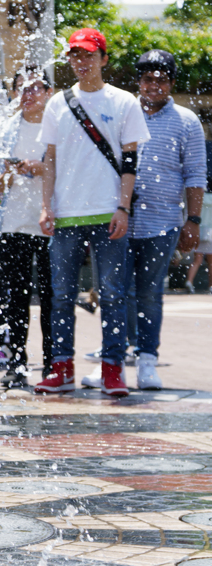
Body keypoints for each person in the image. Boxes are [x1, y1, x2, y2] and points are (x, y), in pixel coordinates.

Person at [80, 50, 205, 391]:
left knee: (150, 293)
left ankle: (147, 360)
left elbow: (195, 174)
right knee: (113, 293)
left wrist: (192, 220)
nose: (154, 85)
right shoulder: (120, 112)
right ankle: (112, 363)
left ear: (171, 83)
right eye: (148, 78)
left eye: (161, 79)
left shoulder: (187, 120)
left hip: (162, 222)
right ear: (139, 81)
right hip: (116, 220)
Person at [35, 29, 150, 396]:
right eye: (74, 56)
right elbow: (49, 159)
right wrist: (45, 205)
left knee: (113, 294)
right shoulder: (57, 103)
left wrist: (123, 207)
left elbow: (131, 159)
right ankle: (61, 367)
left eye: (87, 56)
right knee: (60, 296)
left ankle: (113, 369)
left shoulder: (124, 101)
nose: (80, 63)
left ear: (103, 59)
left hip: (108, 212)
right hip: (66, 214)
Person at [0, 68, 54, 388]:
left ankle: (54, 363)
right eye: (22, 88)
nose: (29, 94)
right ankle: (16, 362)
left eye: (36, 88)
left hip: (51, 223)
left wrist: (44, 168)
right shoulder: (4, 128)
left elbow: (73, 168)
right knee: (14, 298)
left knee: (54, 298)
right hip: (12, 224)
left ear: (49, 92)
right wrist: (2, 172)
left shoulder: (59, 128)